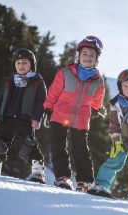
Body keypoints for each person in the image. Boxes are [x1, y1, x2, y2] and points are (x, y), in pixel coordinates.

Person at [43, 36, 106, 191]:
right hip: (59, 115)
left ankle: (84, 181)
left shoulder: (98, 81)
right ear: (78, 56)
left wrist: (98, 108)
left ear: (96, 59)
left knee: (81, 150)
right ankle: (62, 178)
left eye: (92, 55)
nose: (88, 57)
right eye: (84, 54)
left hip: (81, 119)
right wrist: (47, 109)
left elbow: (97, 99)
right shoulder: (65, 73)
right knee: (58, 147)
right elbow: (53, 93)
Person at [0, 48, 47, 183]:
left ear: (32, 64)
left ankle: (38, 172)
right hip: (7, 118)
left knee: (29, 145)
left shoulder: (37, 81)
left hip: (26, 120)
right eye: (18, 63)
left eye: (24, 62)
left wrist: (37, 118)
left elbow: (41, 102)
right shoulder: (10, 81)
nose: (21, 66)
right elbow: (0, 100)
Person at [88, 69, 128, 200]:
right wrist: (116, 142)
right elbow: (114, 124)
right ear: (120, 87)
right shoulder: (115, 104)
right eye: (126, 86)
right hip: (122, 139)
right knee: (114, 159)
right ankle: (101, 185)